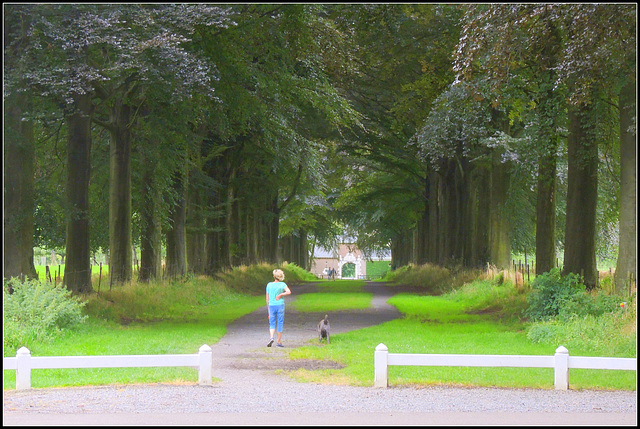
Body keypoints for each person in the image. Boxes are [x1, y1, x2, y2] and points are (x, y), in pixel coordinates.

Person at [266, 269, 291, 348]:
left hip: (271, 305)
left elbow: (267, 298)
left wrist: (268, 311)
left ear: (274, 276)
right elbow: (288, 292)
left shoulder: (269, 285)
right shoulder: (282, 284)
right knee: (280, 322)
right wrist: (281, 295)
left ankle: (271, 337)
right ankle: (279, 342)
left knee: (272, 322)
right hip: (280, 305)